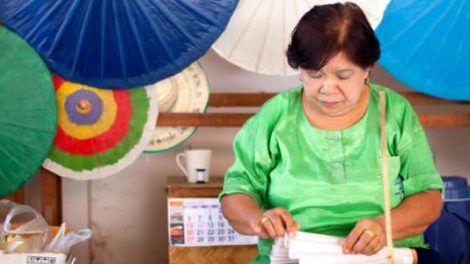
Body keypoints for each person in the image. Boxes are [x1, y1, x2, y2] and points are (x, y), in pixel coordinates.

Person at [219, 2, 444, 264]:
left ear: (367, 68)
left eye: (343, 75)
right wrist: (258, 219)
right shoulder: (275, 117)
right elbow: (235, 195)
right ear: (299, 69)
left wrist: (383, 226)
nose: (327, 88)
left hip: (384, 257)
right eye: (315, 75)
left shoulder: (394, 112)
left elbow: (429, 196)